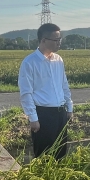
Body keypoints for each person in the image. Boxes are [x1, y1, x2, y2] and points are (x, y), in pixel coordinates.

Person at [18, 23, 73, 159]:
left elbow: (64, 85)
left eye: (60, 39)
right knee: (44, 156)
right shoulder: (29, 62)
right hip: (43, 115)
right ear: (43, 40)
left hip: (60, 113)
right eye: (56, 40)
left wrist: (69, 107)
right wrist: (33, 118)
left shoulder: (58, 60)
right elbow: (26, 93)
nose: (59, 43)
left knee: (60, 154)